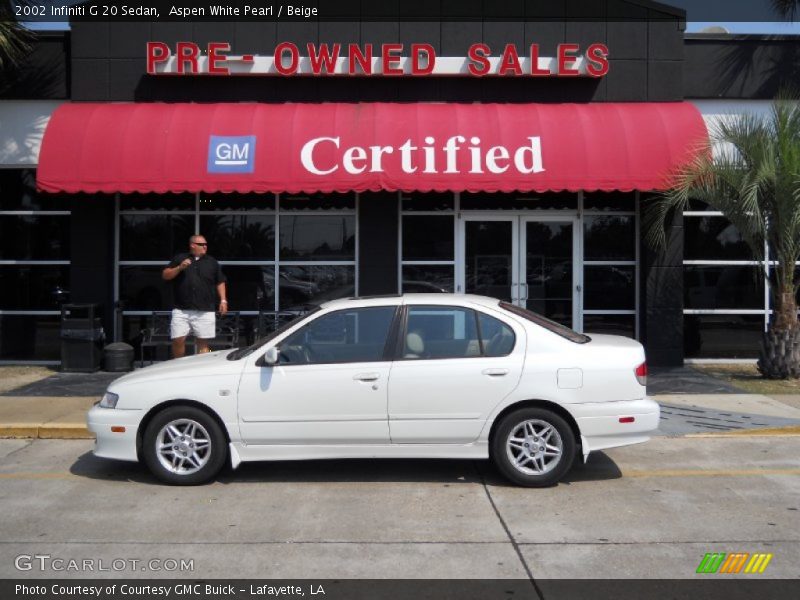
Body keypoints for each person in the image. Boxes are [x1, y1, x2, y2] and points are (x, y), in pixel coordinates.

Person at [162, 234, 228, 358]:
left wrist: (223, 300)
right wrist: (179, 268)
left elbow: (220, 281)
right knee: (178, 340)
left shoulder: (212, 262)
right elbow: (165, 275)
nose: (205, 247)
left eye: (206, 244)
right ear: (192, 245)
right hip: (182, 309)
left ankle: (201, 368)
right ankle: (178, 366)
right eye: (201, 244)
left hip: (204, 310)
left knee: (203, 343)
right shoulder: (180, 258)